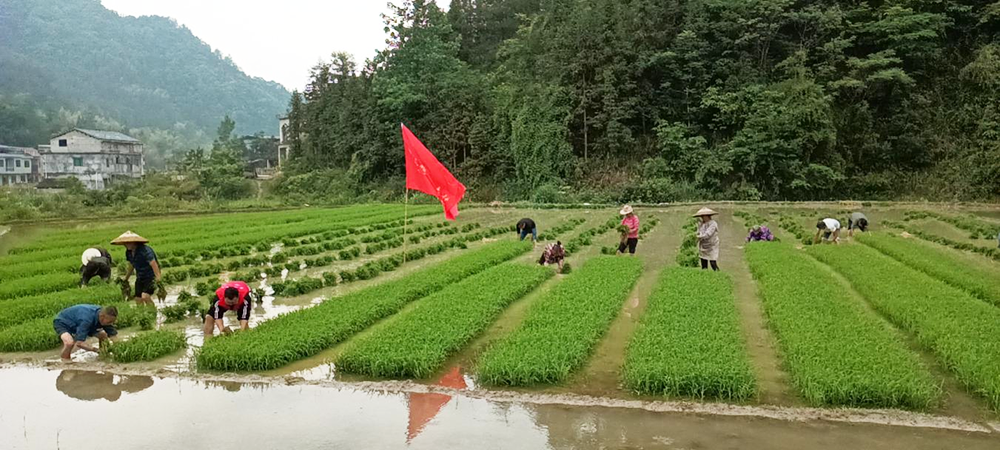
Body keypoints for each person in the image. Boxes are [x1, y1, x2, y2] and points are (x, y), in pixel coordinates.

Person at [53, 304, 118, 362]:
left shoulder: (103, 317)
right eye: (110, 321)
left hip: (80, 323)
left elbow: (114, 337)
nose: (111, 323)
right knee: (69, 343)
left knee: (103, 335)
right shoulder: (87, 320)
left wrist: (120, 348)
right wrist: (95, 350)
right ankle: (65, 361)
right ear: (102, 317)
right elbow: (79, 343)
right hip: (63, 322)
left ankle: (104, 355)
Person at [112, 231, 161, 306]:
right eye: (125, 243)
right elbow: (132, 264)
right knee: (137, 299)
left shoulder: (145, 250)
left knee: (145, 296)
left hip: (150, 276)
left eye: (129, 242)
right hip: (140, 276)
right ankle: (141, 314)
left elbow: (153, 263)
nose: (126, 245)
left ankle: (152, 313)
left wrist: (158, 279)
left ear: (135, 242)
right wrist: (126, 278)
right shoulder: (128, 252)